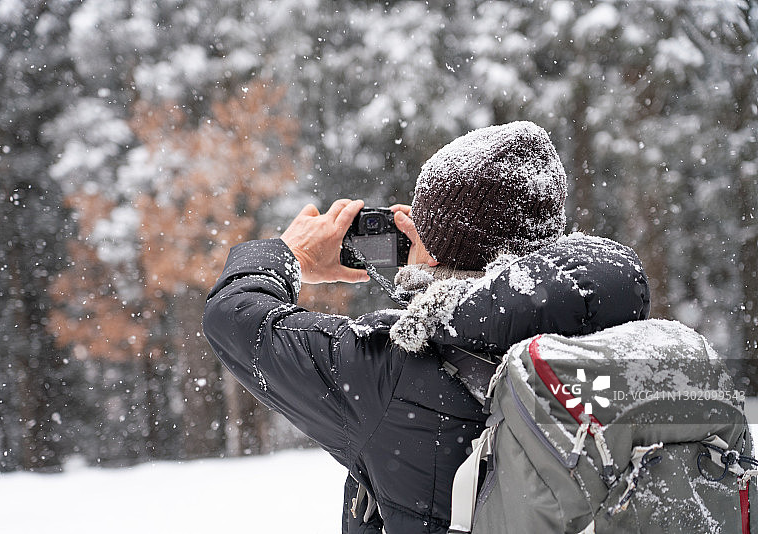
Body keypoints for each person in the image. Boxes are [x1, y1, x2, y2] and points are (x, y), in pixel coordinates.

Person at [203, 121, 650, 534]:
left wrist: (292, 254)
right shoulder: (616, 337)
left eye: (419, 228)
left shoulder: (391, 370)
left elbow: (232, 317)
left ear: (434, 251)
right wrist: (436, 243)